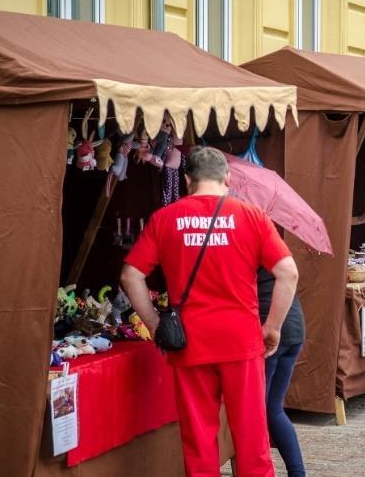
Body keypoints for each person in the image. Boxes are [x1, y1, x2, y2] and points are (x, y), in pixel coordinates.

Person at [120, 146, 299, 477]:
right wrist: (272, 326)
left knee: (198, 439)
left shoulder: (165, 218)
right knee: (251, 438)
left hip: (190, 343)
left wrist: (156, 322)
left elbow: (131, 275)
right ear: (228, 178)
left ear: (188, 180)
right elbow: (288, 272)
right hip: (242, 341)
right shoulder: (252, 216)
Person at [257, 269, 305, 476]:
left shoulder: (248, 242)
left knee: (258, 411)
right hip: (294, 326)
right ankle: (297, 472)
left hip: (270, 330)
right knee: (273, 409)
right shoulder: (274, 246)